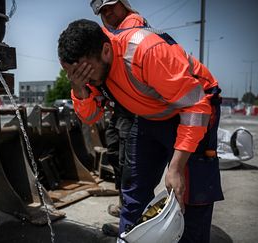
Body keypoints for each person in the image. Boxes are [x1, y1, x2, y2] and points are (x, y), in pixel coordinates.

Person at [58, 19, 224, 243]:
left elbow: (195, 107)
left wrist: (176, 167)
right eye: (74, 75)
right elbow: (90, 116)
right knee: (133, 191)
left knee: (191, 194)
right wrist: (78, 88)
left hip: (195, 107)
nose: (83, 79)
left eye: (86, 73)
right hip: (150, 115)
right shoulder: (87, 72)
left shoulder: (145, 52)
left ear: (106, 51)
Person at [86, 0, 149, 236]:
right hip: (118, 110)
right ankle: (127, 212)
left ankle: (133, 224)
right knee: (115, 156)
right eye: (102, 10)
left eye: (111, 5)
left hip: (134, 112)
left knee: (130, 167)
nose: (107, 12)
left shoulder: (132, 29)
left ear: (124, 4)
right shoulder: (108, 35)